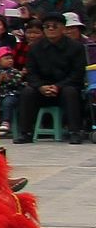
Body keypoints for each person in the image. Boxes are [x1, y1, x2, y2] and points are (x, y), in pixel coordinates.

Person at [22, 13, 89, 143]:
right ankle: (26, 132)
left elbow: (77, 73)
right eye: (47, 26)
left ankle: (74, 131)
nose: (51, 29)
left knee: (70, 92)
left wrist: (58, 86)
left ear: (63, 28)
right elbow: (31, 72)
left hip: (66, 86)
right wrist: (40, 86)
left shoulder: (76, 47)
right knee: (27, 92)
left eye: (55, 26)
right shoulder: (34, 48)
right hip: (42, 88)